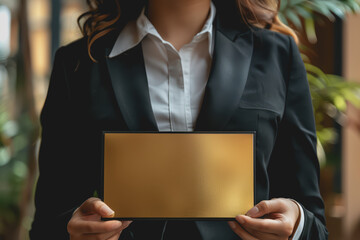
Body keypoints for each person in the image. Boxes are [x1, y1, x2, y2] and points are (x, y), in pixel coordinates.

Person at [30, 0, 328, 239]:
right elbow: (48, 221)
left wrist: (297, 225)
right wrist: (73, 232)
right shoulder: (79, 64)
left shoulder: (278, 56)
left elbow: (313, 220)